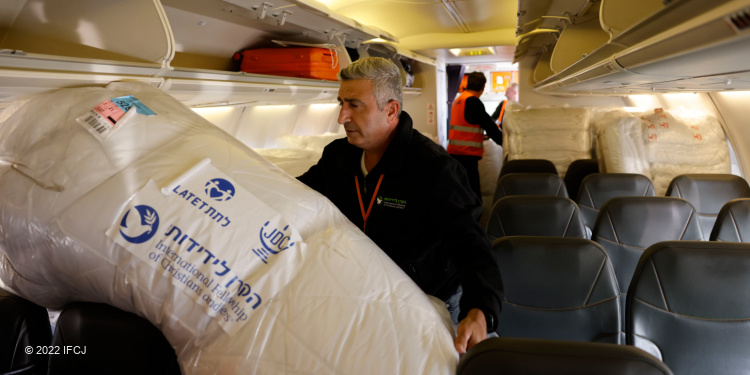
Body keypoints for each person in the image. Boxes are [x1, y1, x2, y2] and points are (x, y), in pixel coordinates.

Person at [298, 57, 503, 354]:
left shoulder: (433, 168)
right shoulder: (337, 157)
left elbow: (470, 243)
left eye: (355, 105)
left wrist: (481, 309)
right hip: (366, 296)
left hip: (433, 300)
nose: (342, 116)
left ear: (391, 110)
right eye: (341, 102)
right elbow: (297, 195)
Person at [447, 72, 503, 201]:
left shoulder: (458, 100)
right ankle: (476, 219)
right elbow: (489, 126)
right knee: (473, 192)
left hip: (454, 152)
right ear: (483, 87)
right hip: (467, 155)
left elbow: (466, 124)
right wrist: (506, 143)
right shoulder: (473, 102)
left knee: (461, 191)